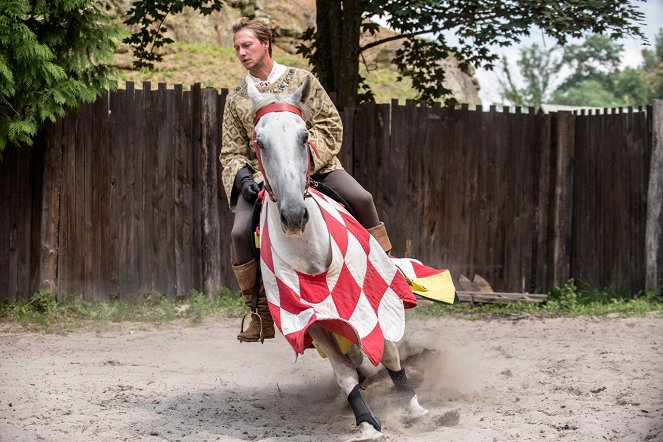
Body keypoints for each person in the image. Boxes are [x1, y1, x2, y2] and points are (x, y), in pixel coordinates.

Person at [220, 17, 393, 343]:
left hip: (314, 163)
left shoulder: (301, 80)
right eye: (237, 48)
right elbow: (231, 150)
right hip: (264, 175)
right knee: (240, 231)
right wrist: (242, 178)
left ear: (265, 43)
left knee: (362, 199)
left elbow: (329, 124)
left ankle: (388, 272)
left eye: (247, 45)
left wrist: (306, 160)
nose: (242, 52)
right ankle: (259, 312)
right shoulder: (238, 97)